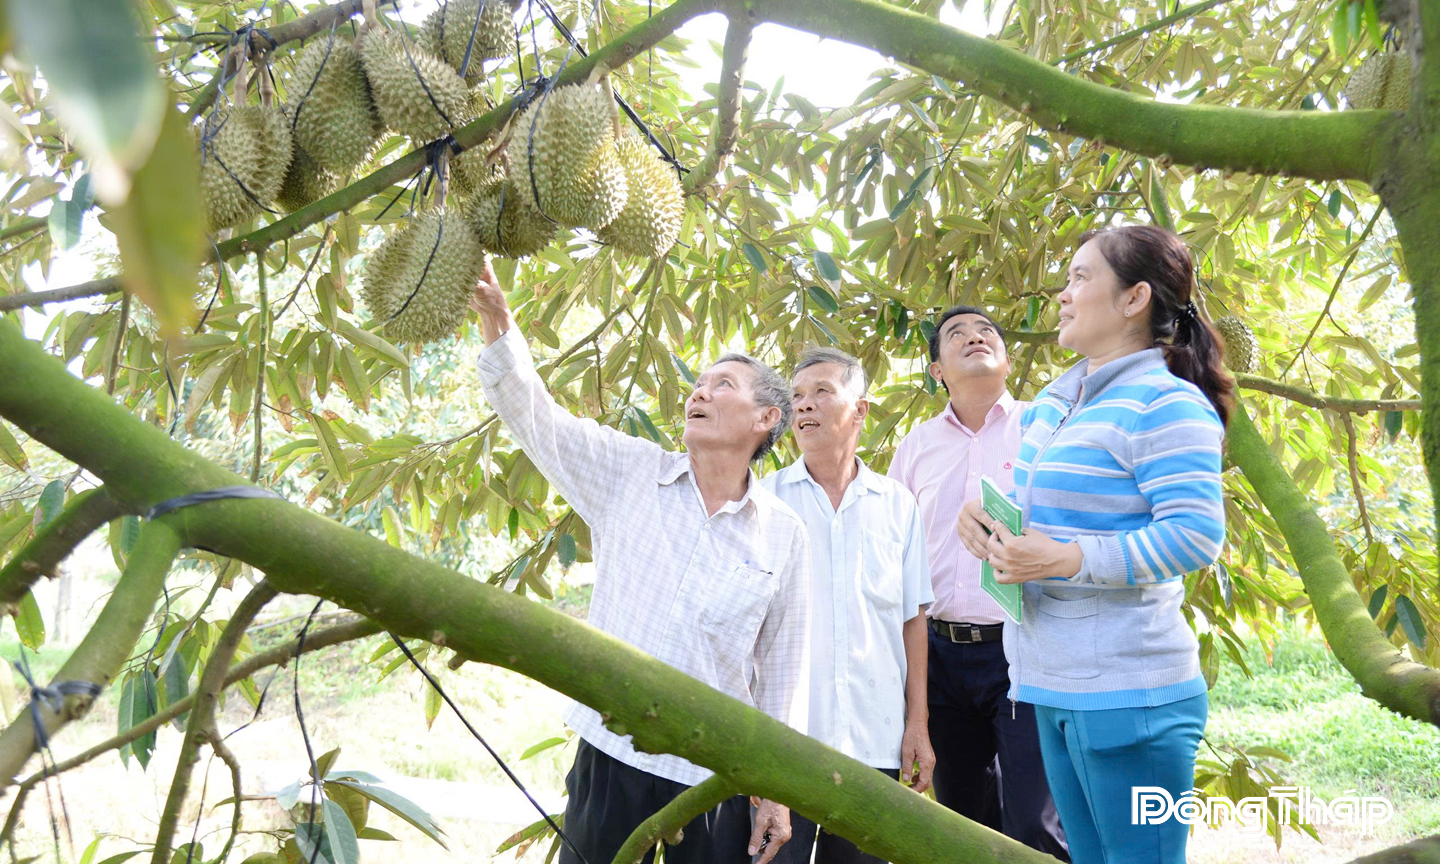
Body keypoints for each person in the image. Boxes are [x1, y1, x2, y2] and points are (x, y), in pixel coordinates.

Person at [470, 265, 810, 864]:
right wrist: (498, 322)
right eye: (699, 383)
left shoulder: (784, 534)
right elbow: (540, 421)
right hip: (611, 751)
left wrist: (776, 791)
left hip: (712, 772)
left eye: (723, 384)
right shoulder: (630, 474)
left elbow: (781, 672)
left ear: (766, 419)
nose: (699, 392)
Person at [957, 225, 1232, 864]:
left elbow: (1194, 535)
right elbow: (1048, 510)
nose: (1063, 293)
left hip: (1131, 694)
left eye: (1081, 277)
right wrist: (987, 518)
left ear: (1134, 299)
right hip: (1050, 682)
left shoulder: (1167, 403)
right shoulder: (1057, 401)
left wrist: (1068, 559)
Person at [889, 307, 1068, 858]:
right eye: (957, 335)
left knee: (1036, 824)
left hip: (1022, 646)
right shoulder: (915, 447)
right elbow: (893, 551)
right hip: (940, 655)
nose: (975, 337)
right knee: (965, 824)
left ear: (1007, 360)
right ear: (937, 370)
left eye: (987, 331)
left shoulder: (1046, 429)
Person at [761, 348, 934, 864]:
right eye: (796, 398)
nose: (805, 407)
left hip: (874, 744)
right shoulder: (766, 501)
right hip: (785, 746)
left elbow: (912, 620)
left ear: (859, 410)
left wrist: (918, 725)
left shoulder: (897, 504)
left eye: (821, 393)